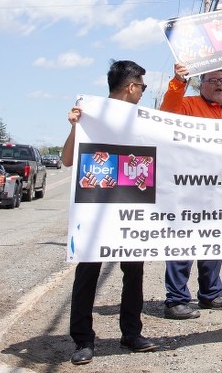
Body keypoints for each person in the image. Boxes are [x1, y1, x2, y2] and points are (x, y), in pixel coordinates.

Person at [63, 60, 158, 365]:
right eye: (142, 87)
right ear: (131, 86)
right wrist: (75, 126)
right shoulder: (91, 115)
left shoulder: (145, 120)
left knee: (134, 271)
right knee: (88, 271)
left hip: (132, 203)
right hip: (96, 206)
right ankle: (83, 340)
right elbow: (67, 160)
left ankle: (131, 332)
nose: (143, 93)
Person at [160, 63, 222, 319]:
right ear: (201, 84)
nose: (219, 84)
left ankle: (209, 294)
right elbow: (167, 112)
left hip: (220, 189)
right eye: (213, 80)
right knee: (182, 244)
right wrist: (178, 80)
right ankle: (176, 300)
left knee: (213, 242)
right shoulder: (186, 105)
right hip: (187, 186)